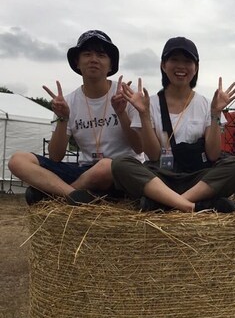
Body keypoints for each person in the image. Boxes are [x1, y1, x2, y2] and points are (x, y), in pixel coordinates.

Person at [111, 37, 235, 213]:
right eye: (174, 60)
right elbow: (153, 155)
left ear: (196, 68)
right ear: (163, 65)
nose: (181, 66)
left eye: (187, 61)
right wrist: (144, 115)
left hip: (198, 178)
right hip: (161, 177)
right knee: (120, 164)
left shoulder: (207, 104)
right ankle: (192, 205)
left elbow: (213, 154)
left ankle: (167, 202)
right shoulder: (149, 103)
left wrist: (215, 114)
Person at [8, 29, 143, 205]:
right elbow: (56, 156)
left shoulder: (126, 95)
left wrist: (121, 113)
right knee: (17, 160)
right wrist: (63, 119)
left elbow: (139, 148)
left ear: (111, 66)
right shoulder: (67, 102)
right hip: (85, 171)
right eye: (87, 54)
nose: (93, 59)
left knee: (105, 166)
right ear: (77, 63)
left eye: (101, 55)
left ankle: (58, 197)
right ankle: (73, 195)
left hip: (122, 171)